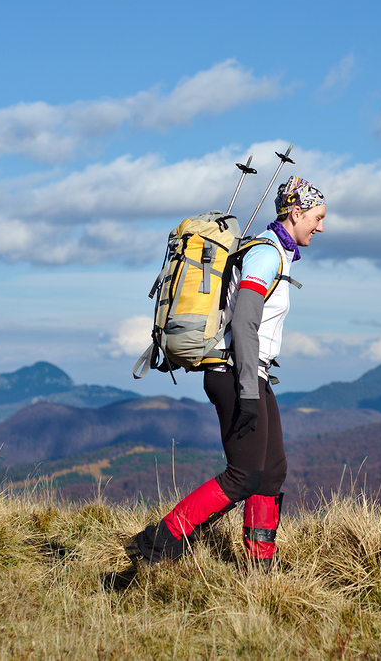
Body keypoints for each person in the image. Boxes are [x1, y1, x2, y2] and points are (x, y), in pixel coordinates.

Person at [129, 176, 326, 571]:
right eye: (317, 217)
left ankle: (259, 566)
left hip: (251, 374)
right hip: (236, 375)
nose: (320, 227)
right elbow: (244, 323)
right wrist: (249, 391)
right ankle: (157, 543)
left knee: (272, 470)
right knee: (244, 473)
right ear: (296, 212)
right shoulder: (267, 255)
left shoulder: (277, 253)